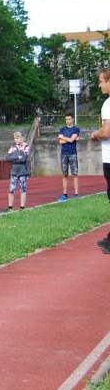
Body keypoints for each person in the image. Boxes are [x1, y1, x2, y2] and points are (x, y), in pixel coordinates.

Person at [90, 68, 110, 253]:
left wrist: (95, 134)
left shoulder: (108, 104)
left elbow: (106, 132)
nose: (99, 85)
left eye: (101, 81)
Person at [6, 132, 30, 211]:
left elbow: (23, 159)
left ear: (22, 138)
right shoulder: (12, 147)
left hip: (23, 171)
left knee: (23, 188)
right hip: (14, 171)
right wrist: (17, 157)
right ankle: (10, 207)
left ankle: (22, 207)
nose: (16, 140)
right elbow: (7, 158)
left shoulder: (26, 146)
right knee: (11, 189)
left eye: (18, 138)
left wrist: (14, 158)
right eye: (15, 138)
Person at [58, 114, 80, 201]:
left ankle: (76, 194)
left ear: (73, 119)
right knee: (64, 175)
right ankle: (64, 194)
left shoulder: (76, 129)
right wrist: (71, 139)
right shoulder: (62, 129)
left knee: (75, 174)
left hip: (73, 154)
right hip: (64, 154)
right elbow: (60, 141)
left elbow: (70, 140)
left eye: (69, 119)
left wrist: (63, 137)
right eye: (66, 119)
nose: (67, 121)